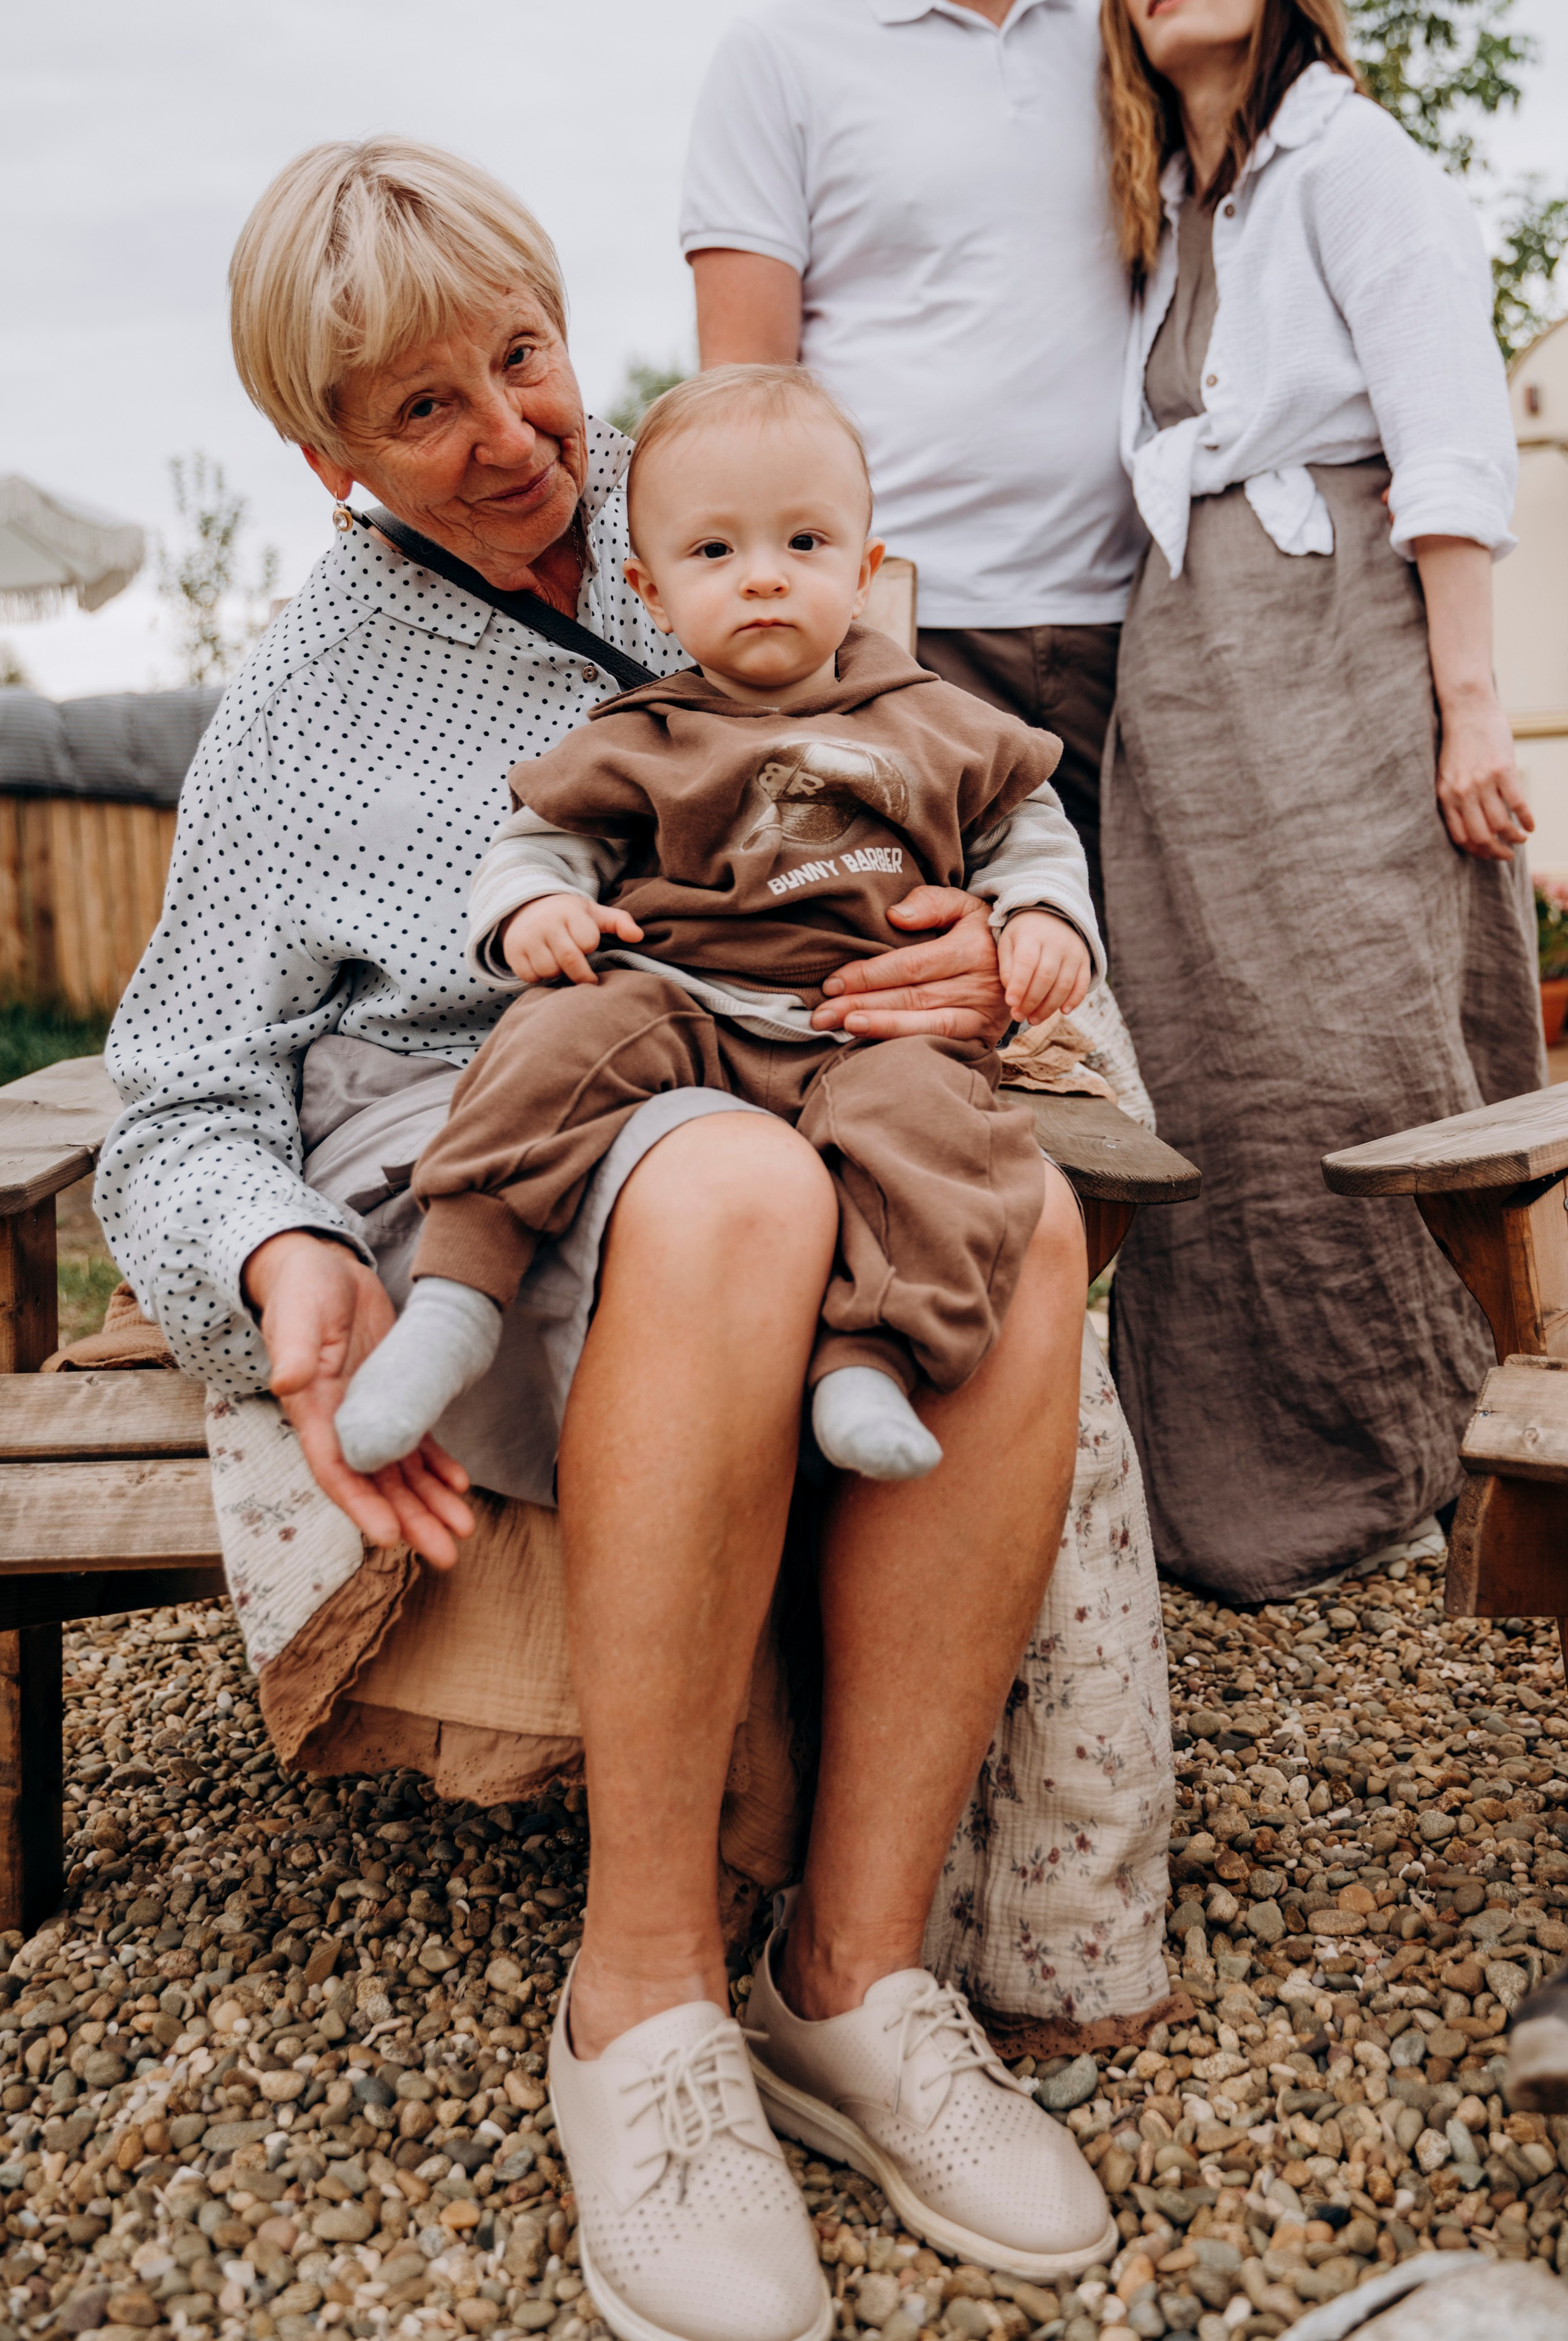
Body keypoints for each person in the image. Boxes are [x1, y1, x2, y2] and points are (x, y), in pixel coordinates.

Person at [95, 138, 1114, 2341]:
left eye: (525, 361)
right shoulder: (298, 698)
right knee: (733, 1187)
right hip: (487, 1134)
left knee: (1020, 1231)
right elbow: (175, 1086)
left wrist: (989, 953)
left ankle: (851, 1977)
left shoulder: (740, 528)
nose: (512, 437)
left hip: (791, 1059)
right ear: (322, 453)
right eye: (419, 411)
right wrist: (268, 1262)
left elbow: (981, 803)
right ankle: (638, 2004)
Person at [336, 366, 1101, 1489]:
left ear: (864, 569)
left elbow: (1030, 828)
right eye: (715, 554)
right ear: (649, 594)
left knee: (942, 1137)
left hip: (868, 1026)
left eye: (804, 544)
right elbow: (542, 843)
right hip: (684, 1007)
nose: (763, 581)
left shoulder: (936, 720)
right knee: (555, 1034)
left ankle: (869, 1359)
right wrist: (537, 911)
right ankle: (458, 1301)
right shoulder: (644, 733)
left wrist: (1040, 916)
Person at [1098, 0, 1545, 1602]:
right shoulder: (1168, 206)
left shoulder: (1356, 159)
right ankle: (1232, 1490)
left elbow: (1449, 435)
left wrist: (1470, 705)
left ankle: (1406, 1456)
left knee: (1352, 1047)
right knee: (1205, 1064)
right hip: (1199, 672)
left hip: (1339, 639)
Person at [680, 0, 1145, 924]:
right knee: (915, 978)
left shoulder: (1128, 28)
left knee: (1143, 997)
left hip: (1136, 623)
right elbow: (744, 393)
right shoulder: (779, 50)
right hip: (900, 634)